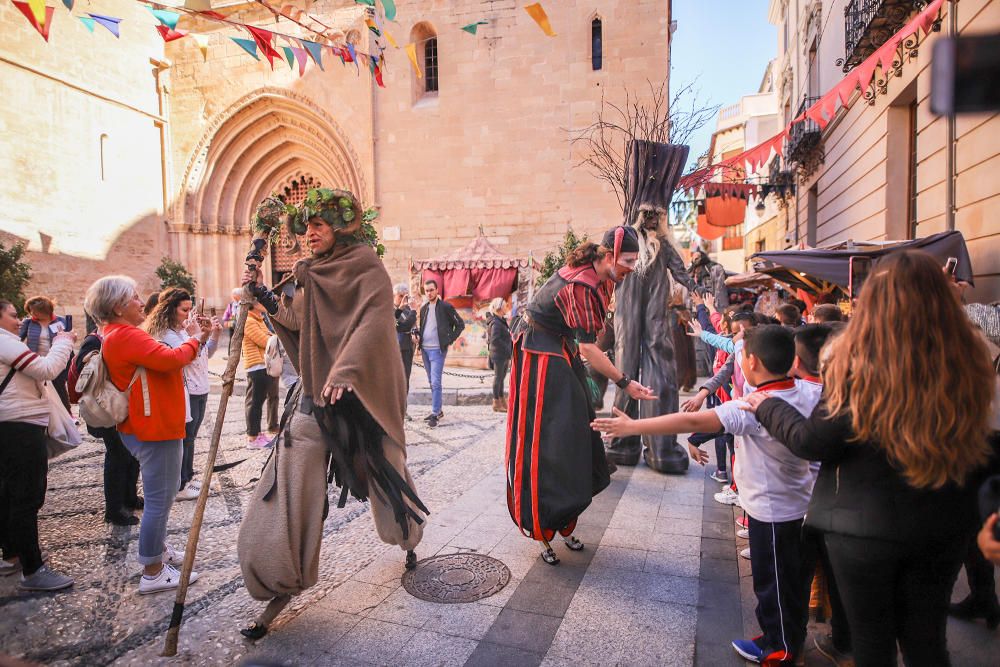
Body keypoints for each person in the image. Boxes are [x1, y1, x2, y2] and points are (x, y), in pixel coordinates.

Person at [741, 250, 996, 667]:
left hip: (863, 527)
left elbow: (815, 442)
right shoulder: (972, 357)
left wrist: (766, 406)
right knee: (927, 642)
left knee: (871, 645)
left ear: (874, 301)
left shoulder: (854, 360)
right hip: (944, 521)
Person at [237, 188, 428, 639]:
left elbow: (373, 321)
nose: (311, 234)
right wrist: (264, 299)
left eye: (320, 225)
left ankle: (408, 536)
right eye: (307, 228)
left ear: (341, 227)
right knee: (289, 482)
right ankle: (279, 578)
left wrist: (345, 370)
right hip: (313, 397)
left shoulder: (368, 267)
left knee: (386, 474)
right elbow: (300, 325)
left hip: (361, 398)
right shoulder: (310, 275)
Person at [593, 325, 822, 665]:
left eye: (741, 356)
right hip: (801, 507)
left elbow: (693, 423)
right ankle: (785, 634)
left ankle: (781, 648)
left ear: (753, 363)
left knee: (773, 584)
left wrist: (632, 427)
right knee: (791, 583)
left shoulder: (753, 406)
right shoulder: (807, 390)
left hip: (773, 515)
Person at [508, 225, 655, 565]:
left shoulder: (599, 277)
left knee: (575, 435)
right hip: (539, 356)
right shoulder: (581, 284)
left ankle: (563, 519)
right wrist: (624, 382)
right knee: (546, 443)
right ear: (607, 256)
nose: (632, 267)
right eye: (628, 260)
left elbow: (584, 342)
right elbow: (588, 347)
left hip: (559, 353)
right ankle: (542, 527)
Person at [86, 275, 211, 595]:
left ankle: (159, 551)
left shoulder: (117, 333)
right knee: (160, 500)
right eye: (135, 298)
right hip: (154, 426)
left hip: (147, 423)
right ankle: (152, 570)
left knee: (158, 497)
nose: (142, 303)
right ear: (117, 307)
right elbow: (172, 359)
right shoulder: (126, 335)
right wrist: (196, 338)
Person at [0, 299, 77, 591]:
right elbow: (47, 369)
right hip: (19, 424)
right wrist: (63, 341)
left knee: (9, 491)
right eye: (11, 315)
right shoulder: (5, 342)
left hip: (10, 423)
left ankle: (13, 553)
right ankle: (33, 570)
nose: (18, 320)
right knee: (27, 496)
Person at [144, 288, 223, 500]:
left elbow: (203, 355)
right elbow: (186, 358)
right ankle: (179, 484)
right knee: (185, 438)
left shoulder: (182, 331)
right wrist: (196, 335)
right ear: (170, 310)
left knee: (191, 437)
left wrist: (208, 334)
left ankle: (187, 478)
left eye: (191, 309)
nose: (189, 314)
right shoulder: (167, 335)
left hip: (200, 387)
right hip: (186, 391)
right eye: (184, 310)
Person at [75, 328, 142, 525]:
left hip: (125, 403)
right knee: (117, 456)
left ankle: (130, 497)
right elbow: (83, 373)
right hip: (107, 406)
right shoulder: (95, 340)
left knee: (131, 454)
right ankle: (114, 509)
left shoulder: (126, 335)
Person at [415, 279, 465, 427]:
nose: (429, 293)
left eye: (431, 290)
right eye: (427, 290)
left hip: (437, 350)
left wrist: (449, 340)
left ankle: (435, 413)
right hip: (425, 350)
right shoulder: (423, 308)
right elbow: (424, 327)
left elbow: (460, 324)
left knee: (436, 381)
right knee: (431, 382)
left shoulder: (445, 307)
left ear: (437, 290)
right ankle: (439, 410)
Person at [19, 296, 72, 411]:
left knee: (59, 389)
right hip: (36, 362)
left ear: (45, 311)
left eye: (35, 311)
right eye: (30, 311)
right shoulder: (28, 323)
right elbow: (17, 339)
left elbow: (68, 338)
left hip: (56, 361)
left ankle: (67, 415)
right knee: (37, 390)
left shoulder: (61, 321)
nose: (32, 314)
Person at [242, 302, 273, 449]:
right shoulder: (248, 321)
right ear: (253, 303)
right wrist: (271, 337)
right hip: (256, 366)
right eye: (261, 301)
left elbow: (270, 337)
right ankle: (252, 437)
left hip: (262, 365)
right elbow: (266, 341)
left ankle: (258, 433)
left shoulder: (258, 319)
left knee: (259, 402)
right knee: (254, 403)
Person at [485, 297, 512, 413]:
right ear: (499, 308)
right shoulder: (496, 322)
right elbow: (495, 339)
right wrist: (507, 348)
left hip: (503, 354)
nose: (507, 307)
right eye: (505, 305)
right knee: (498, 378)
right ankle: (496, 402)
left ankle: (502, 401)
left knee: (501, 378)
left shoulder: (500, 320)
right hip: (499, 354)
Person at [393, 284, 417, 392]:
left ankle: (403, 406)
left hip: (406, 349)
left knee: (405, 378)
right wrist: (414, 311)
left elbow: (412, 326)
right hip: (392, 350)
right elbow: (401, 325)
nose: (403, 299)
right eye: (400, 296)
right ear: (394, 295)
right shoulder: (389, 309)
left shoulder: (408, 310)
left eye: (405, 296)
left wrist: (416, 334)